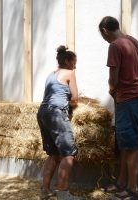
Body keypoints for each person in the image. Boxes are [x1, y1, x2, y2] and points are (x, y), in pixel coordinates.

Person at [99, 16, 138, 200]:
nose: (104, 39)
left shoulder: (115, 46)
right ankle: (122, 183)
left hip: (127, 100)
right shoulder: (132, 40)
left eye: (103, 36)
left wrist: (112, 90)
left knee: (131, 146)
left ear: (105, 31)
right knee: (126, 144)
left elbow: (114, 79)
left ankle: (133, 190)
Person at [37, 46, 80, 200]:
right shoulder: (69, 73)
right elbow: (74, 98)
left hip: (42, 113)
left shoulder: (51, 75)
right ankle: (63, 193)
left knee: (53, 154)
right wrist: (74, 106)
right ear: (67, 61)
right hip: (56, 114)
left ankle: (45, 190)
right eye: (74, 63)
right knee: (68, 154)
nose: (75, 66)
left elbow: (46, 97)